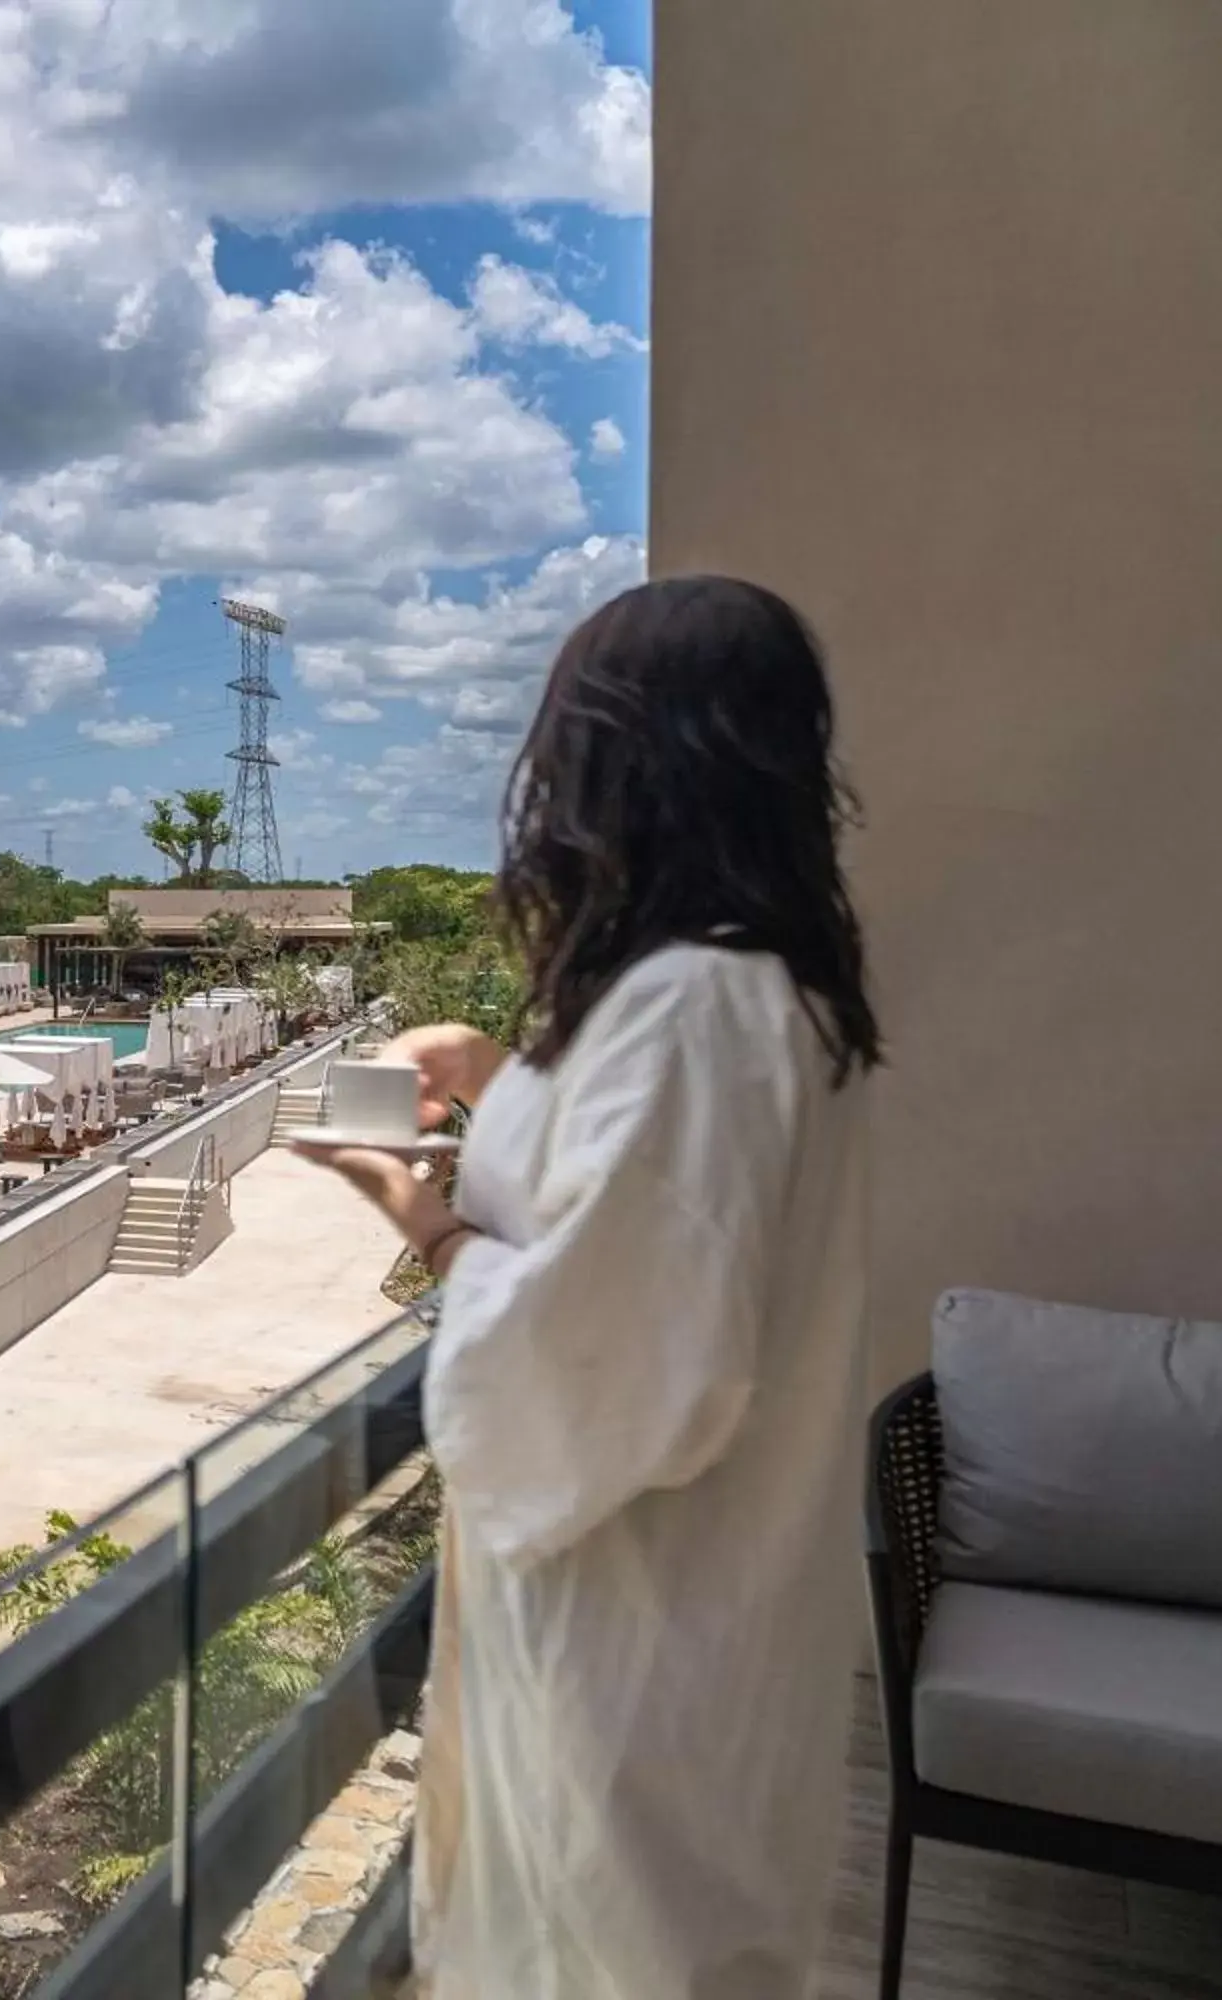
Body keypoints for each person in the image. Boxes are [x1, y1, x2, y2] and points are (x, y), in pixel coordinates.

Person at [296, 576, 881, 2000]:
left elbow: (600, 1360)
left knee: (603, 1959)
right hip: (713, 1634)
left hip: (636, 1664)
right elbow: (651, 1218)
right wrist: (497, 1081)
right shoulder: (778, 995)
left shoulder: (692, 1009)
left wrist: (423, 1222)